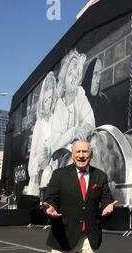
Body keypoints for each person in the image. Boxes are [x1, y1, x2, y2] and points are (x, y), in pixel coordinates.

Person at [43, 140, 117, 253]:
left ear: (91, 154)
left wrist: (109, 205)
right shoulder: (59, 174)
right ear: (72, 155)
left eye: (85, 151)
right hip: (63, 233)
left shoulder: (100, 176)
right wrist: (50, 207)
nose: (81, 155)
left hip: (89, 236)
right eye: (78, 152)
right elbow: (51, 197)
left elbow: (106, 197)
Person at [42, 49, 95, 182]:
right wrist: (73, 133)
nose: (74, 77)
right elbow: (54, 142)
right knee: (49, 176)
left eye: (77, 73)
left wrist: (87, 127)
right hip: (60, 159)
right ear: (64, 76)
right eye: (70, 73)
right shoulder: (58, 105)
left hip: (81, 153)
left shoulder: (80, 95)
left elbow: (89, 119)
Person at [25, 72, 57, 196]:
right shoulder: (40, 122)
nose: (47, 102)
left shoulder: (56, 117)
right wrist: (32, 166)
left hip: (52, 163)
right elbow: (34, 147)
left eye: (50, 99)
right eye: (45, 99)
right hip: (38, 165)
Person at [81, 57, 111, 127]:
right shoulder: (80, 99)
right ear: (89, 76)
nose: (98, 81)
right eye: (95, 75)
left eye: (100, 74)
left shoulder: (103, 100)